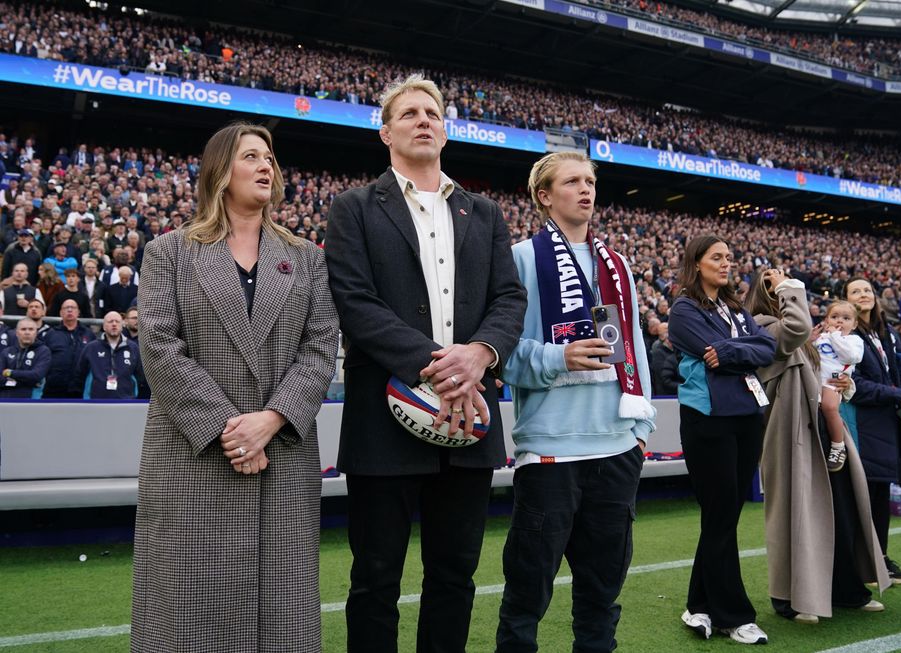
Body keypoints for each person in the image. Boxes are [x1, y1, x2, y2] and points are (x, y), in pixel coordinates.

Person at [325, 75, 526, 653]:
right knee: (376, 579)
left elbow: (509, 299)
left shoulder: (483, 213)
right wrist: (442, 366)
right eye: (409, 112)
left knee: (454, 577)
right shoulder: (354, 208)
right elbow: (355, 303)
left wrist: (481, 354)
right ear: (386, 131)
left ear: (446, 128)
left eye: (432, 112)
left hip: (470, 416)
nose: (423, 120)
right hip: (384, 420)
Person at [132, 123, 339, 651]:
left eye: (270, 157)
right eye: (252, 156)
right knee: (187, 616)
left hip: (282, 458)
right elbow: (159, 346)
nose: (267, 165)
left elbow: (319, 350)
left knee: (284, 614)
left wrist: (268, 422)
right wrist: (232, 430)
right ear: (220, 172)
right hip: (193, 457)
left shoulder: (308, 257)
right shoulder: (169, 252)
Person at [495, 152, 655, 652]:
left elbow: (633, 349)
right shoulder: (521, 258)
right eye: (572, 181)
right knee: (526, 596)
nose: (586, 189)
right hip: (550, 452)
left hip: (616, 449)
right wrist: (559, 356)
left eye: (590, 180)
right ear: (545, 195)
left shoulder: (618, 263)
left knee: (601, 599)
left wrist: (640, 432)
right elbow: (501, 354)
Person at [746, 269, 889, 626]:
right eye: (771, 284)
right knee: (796, 515)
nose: (779, 286)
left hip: (820, 428)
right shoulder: (763, 325)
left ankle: (845, 589)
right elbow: (793, 331)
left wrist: (846, 384)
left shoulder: (803, 330)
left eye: (781, 283)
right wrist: (789, 288)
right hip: (790, 431)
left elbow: (824, 371)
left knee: (840, 510)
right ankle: (789, 598)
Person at [668, 234, 776, 645]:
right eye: (717, 257)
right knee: (720, 515)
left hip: (747, 415)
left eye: (730, 257)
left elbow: (768, 346)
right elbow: (708, 348)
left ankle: (698, 606)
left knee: (723, 517)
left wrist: (731, 351)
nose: (727, 263)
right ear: (697, 263)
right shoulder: (683, 308)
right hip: (707, 419)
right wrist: (738, 349)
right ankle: (735, 615)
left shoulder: (735, 307)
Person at [844, 277, 901, 585]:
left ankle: (879, 559)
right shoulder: (846, 335)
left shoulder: (887, 332)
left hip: (887, 422)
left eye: (867, 290)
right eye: (855, 291)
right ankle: (862, 563)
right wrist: (897, 395)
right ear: (845, 300)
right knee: (862, 496)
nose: (863, 295)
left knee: (879, 494)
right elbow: (855, 386)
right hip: (861, 423)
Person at [815, 300, 865, 472]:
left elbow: (851, 357)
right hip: (813, 380)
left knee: (830, 407)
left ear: (855, 324)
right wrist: (809, 339)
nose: (839, 321)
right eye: (834, 317)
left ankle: (838, 445)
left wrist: (835, 336)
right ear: (827, 320)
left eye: (846, 318)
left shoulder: (854, 340)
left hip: (833, 382)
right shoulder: (822, 338)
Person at [74, 311, 144, 399]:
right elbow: (80, 375)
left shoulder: (133, 348)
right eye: (110, 321)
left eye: (117, 321)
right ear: (104, 327)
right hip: (95, 401)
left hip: (126, 401)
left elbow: (140, 376)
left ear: (122, 326)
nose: (114, 324)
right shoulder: (91, 348)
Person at [42, 299, 95, 399]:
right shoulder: (51, 334)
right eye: (66, 308)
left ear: (78, 312)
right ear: (61, 313)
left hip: (81, 389)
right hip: (54, 390)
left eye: (73, 308)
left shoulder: (88, 334)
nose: (70, 310)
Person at [0, 318, 51, 399]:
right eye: (23, 329)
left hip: (30, 400)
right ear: (16, 333)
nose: (27, 332)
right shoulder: (6, 352)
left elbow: (36, 375)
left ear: (36, 333)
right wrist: (24, 382)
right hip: (5, 399)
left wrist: (10, 373)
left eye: (31, 329)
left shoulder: (43, 351)